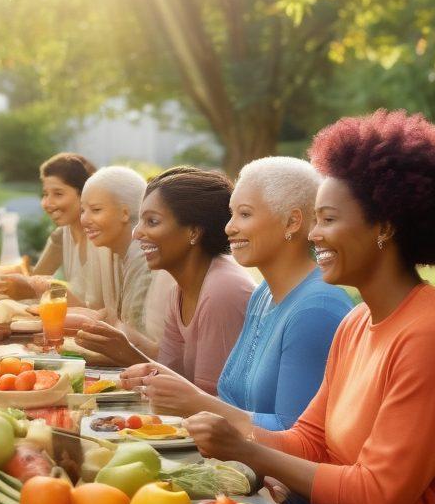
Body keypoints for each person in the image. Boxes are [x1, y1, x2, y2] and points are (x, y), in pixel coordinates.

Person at [185, 110, 435, 504]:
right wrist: (227, 435)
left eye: (328, 219)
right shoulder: (357, 322)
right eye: (313, 219)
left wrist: (247, 449)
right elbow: (311, 440)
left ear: (385, 225)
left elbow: (380, 496)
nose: (313, 235)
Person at [120, 157, 351, 431]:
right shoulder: (264, 293)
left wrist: (197, 402)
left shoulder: (316, 310)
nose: (229, 227)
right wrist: (156, 376)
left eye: (244, 214)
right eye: (231, 214)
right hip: (236, 464)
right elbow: (231, 400)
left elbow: (294, 435)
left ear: (291, 222)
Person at [76, 166, 255, 388]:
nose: (136, 233)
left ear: (193, 232)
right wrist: (124, 350)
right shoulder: (182, 286)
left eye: (152, 222)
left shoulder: (222, 289)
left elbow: (210, 402)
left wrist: (126, 352)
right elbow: (171, 372)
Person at [73, 165, 168, 347]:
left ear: (125, 213)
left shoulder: (143, 256)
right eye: (83, 211)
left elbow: (135, 339)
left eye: (96, 210)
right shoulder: (118, 253)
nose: (84, 220)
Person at [5, 152, 100, 301]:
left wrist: (49, 288)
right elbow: (33, 287)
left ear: (84, 194)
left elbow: (97, 304)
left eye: (58, 194)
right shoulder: (61, 236)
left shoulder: (102, 238)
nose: (47, 203)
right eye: (45, 194)